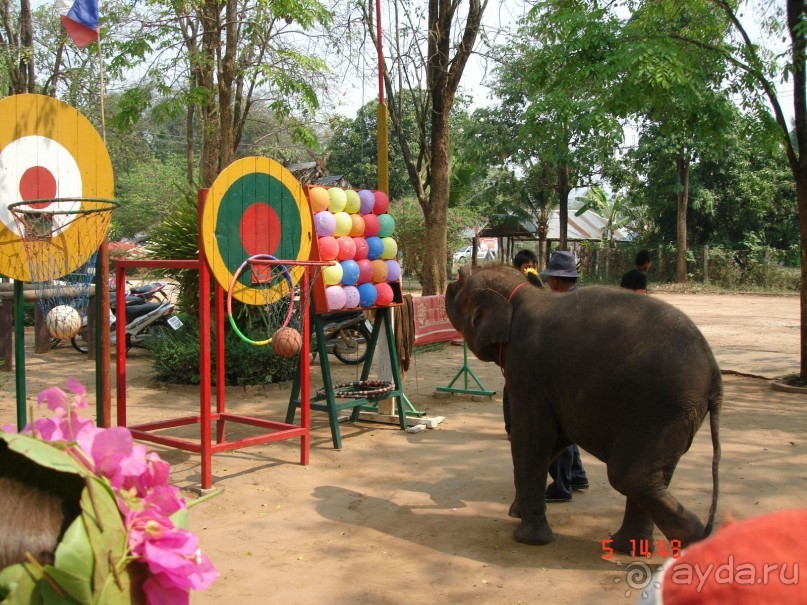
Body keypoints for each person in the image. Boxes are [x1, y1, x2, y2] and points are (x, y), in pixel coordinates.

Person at [540, 250, 589, 502]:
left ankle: (562, 485)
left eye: (549, 279)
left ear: (557, 280)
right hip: (584, 375)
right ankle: (577, 474)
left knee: (557, 430)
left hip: (568, 376)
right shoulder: (582, 300)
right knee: (570, 429)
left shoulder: (561, 307)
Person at [502, 249, 542, 438]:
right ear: (517, 269)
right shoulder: (510, 287)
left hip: (533, 341)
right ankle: (511, 427)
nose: (530, 270)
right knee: (510, 384)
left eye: (533, 267)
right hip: (514, 340)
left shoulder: (537, 285)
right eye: (527, 267)